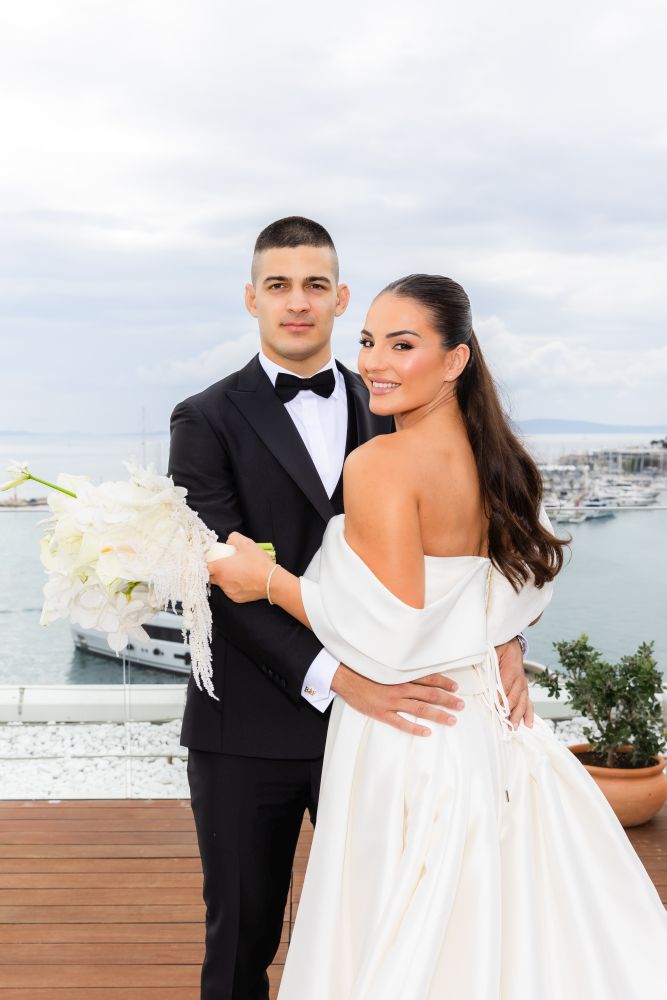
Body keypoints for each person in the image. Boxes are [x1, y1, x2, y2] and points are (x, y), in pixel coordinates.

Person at [211, 273, 667, 999]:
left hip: (409, 733)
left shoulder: (379, 464)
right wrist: (504, 643)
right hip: (486, 727)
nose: (374, 362)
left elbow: (393, 629)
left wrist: (264, 581)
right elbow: (524, 589)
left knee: (401, 938)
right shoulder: (503, 461)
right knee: (493, 937)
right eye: (367, 342)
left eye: (402, 345)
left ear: (455, 359)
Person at [168, 219, 533, 1000]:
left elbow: (469, 548)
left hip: (393, 732)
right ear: (251, 299)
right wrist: (341, 679)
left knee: (381, 937)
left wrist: (504, 641)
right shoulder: (203, 418)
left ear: (339, 298)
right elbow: (217, 583)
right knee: (240, 943)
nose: (296, 303)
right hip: (252, 729)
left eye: (314, 286)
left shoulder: (397, 404)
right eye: (277, 285)